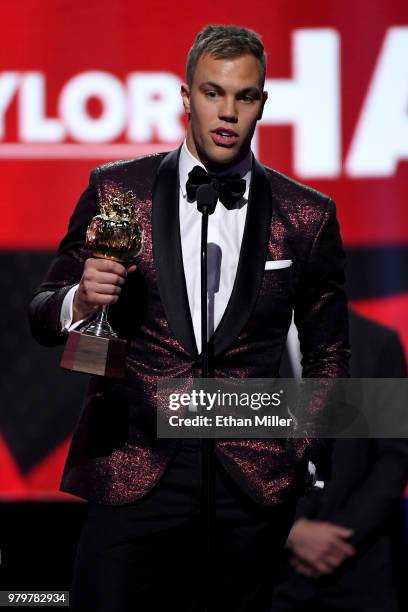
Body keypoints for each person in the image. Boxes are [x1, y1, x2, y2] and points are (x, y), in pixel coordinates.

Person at [28, 24, 350, 612]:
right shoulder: (116, 189)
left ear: (262, 104)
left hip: (250, 480)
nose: (227, 112)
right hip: (135, 468)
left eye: (244, 96)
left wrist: (304, 452)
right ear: (185, 97)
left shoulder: (308, 215)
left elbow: (331, 354)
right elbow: (42, 315)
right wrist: (79, 299)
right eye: (212, 92)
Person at [272, 310, 408, 612]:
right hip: (270, 575)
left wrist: (338, 536)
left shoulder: (377, 342)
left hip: (360, 566)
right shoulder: (238, 349)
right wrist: (291, 531)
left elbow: (394, 457)